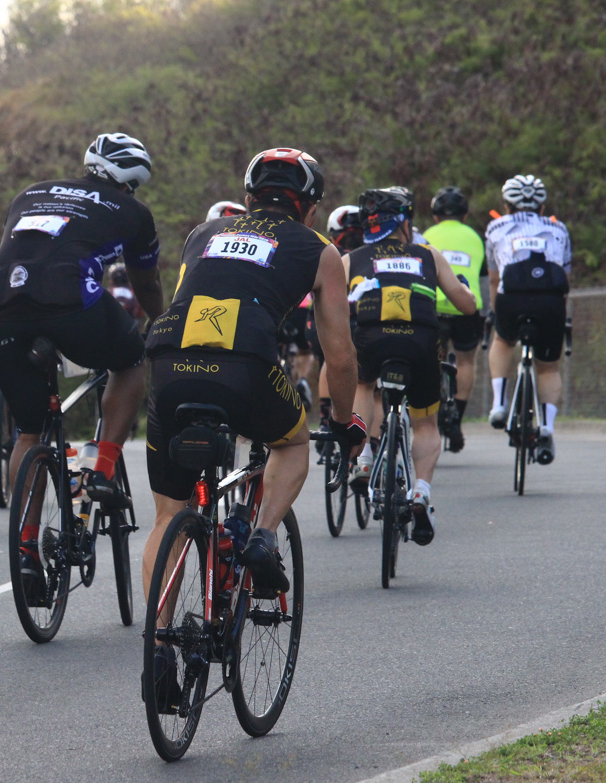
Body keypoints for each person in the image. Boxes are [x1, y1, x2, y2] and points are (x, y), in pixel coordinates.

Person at [144, 147, 366, 606]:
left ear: (249, 198)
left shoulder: (202, 232)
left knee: (168, 516)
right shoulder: (318, 249)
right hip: (244, 360)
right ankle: (263, 537)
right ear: (309, 207)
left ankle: (159, 648)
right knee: (293, 440)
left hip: (168, 358)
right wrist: (344, 423)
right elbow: (340, 357)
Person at [0, 132, 165, 507]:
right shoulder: (134, 212)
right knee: (129, 362)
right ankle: (101, 469)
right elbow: (146, 281)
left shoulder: (30, 193)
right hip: (67, 300)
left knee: (30, 433)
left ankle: (27, 548)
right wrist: (160, 322)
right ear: (131, 183)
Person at [345, 187, 477, 545]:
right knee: (425, 422)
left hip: (370, 340)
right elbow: (467, 306)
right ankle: (420, 491)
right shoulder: (428, 255)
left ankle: (366, 458)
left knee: (363, 385)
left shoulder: (352, 258)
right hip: (420, 343)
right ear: (404, 224)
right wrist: (466, 289)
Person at [484, 174, 572, 464]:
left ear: (506, 205)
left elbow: (495, 277)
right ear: (543, 206)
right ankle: (546, 425)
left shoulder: (495, 227)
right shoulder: (559, 229)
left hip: (512, 297)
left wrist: (497, 312)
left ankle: (498, 403)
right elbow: (565, 280)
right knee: (548, 368)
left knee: (503, 340)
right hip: (550, 301)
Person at [424, 186, 486, 452]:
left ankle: (435, 408)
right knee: (465, 360)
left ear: (435, 215)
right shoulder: (475, 236)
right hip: (466, 306)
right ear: (465, 214)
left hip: (432, 304)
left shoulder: (427, 235)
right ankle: (457, 418)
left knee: (431, 359)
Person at [309, 205, 364, 437]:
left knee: (327, 360)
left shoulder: (326, 252)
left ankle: (324, 417)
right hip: (361, 323)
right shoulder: (366, 256)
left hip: (315, 323)